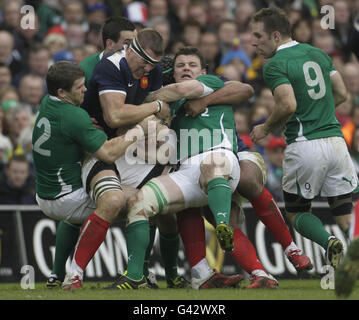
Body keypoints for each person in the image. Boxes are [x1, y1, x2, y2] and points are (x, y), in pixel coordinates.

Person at [107, 46, 247, 290]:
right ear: (173, 72)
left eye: (192, 65)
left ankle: (223, 226)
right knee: (140, 202)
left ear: (203, 70)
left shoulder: (208, 82)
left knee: (212, 166)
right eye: (181, 65)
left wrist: (148, 99)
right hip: (184, 172)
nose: (186, 69)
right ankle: (136, 276)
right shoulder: (172, 106)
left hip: (220, 160)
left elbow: (245, 89)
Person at [60, 28, 177, 290]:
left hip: (132, 149)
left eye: (153, 64)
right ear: (129, 48)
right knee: (112, 200)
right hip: (100, 150)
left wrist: (147, 119)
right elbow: (114, 117)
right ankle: (72, 274)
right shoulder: (110, 66)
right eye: (144, 61)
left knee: (158, 199)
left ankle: (147, 274)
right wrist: (153, 109)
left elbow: (158, 120)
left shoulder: (153, 70)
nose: (147, 69)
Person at [249, 7, 357, 269]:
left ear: (275, 36)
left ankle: (329, 241)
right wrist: (319, 112)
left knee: (296, 212)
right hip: (336, 142)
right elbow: (342, 93)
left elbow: (287, 105)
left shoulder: (275, 64)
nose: (255, 42)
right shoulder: (317, 53)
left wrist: (265, 128)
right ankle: (353, 257)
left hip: (305, 145)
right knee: (344, 213)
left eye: (258, 36)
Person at [32, 61, 150, 290]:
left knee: (98, 195)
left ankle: (55, 275)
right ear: (62, 93)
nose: (85, 90)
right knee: (138, 199)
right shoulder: (73, 116)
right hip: (66, 200)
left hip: (45, 194)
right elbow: (108, 152)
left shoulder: (48, 102)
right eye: (79, 87)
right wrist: (140, 130)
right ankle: (132, 274)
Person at [46, 16, 138, 289]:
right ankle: (58, 272)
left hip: (124, 144)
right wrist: (85, 122)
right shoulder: (86, 68)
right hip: (94, 146)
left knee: (143, 196)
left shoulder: (136, 68)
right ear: (109, 43)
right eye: (127, 43)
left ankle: (142, 270)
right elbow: (59, 102)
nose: (133, 50)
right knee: (85, 205)